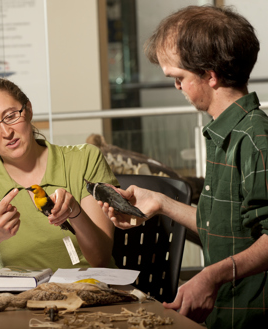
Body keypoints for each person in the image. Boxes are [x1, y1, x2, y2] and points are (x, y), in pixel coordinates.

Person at [102, 5, 268, 328]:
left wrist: (211, 276)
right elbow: (228, 227)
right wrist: (160, 203)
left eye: (179, 78)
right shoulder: (225, 132)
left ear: (210, 74)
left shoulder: (256, 139)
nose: (176, 87)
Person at [0, 77, 117, 283]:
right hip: (23, 305)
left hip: (94, 297)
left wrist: (75, 213)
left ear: (28, 109)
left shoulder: (85, 159)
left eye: (11, 116)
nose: (6, 132)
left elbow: (100, 259)